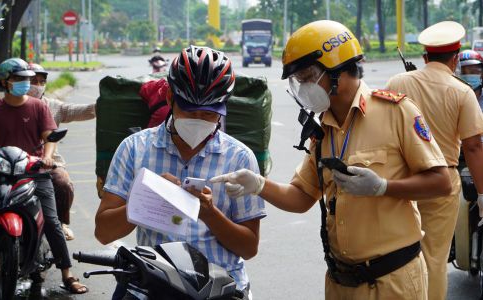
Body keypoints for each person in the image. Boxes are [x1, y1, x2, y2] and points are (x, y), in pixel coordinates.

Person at [210, 20, 452, 299]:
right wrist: (258, 185)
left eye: (307, 76)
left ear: (337, 68)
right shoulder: (322, 131)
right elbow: (302, 197)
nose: (303, 87)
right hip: (340, 283)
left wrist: (384, 187)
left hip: (392, 282)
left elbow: (441, 182)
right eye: (298, 80)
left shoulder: (396, 112)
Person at [95, 46, 266, 300]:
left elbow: (249, 247)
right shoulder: (134, 148)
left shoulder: (239, 157)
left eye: (208, 114)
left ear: (222, 110)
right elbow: (104, 232)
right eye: (189, 111)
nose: (198, 119)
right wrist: (147, 199)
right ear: (169, 99)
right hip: (154, 285)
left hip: (222, 288)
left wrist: (210, 214)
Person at [386, 21, 483, 300]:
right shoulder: (461, 91)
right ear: (455, 59)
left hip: (401, 182)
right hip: (441, 184)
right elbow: (474, 147)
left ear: (425, 57)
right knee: (434, 259)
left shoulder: (397, 83)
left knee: (399, 257)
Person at [0, 58, 88, 294]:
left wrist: (47, 157)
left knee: (52, 221)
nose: (26, 83)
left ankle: (67, 274)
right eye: (19, 79)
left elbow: (49, 137)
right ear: (5, 82)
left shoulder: (38, 106)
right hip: (1, 173)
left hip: (34, 172)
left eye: (27, 79)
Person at [28, 63, 96, 241]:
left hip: (46, 162)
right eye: (33, 81)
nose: (37, 85)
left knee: (62, 182)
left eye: (41, 82)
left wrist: (104, 104)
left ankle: (61, 222)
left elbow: (81, 111)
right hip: (14, 162)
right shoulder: (6, 106)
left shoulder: (52, 106)